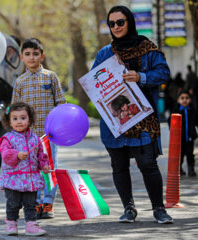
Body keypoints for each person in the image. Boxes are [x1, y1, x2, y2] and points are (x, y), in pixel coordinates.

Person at [92, 5, 173, 224]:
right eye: (111, 24)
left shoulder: (147, 48)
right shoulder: (105, 54)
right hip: (115, 120)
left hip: (143, 119)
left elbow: (164, 72)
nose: (116, 27)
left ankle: (159, 209)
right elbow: (93, 84)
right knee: (119, 165)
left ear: (130, 22)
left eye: (120, 22)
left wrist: (141, 77)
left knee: (147, 163)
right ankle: (129, 209)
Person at [12, 38, 66, 219]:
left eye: (35, 54)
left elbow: (60, 103)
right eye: (27, 54)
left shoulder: (50, 77)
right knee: (32, 169)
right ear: (21, 57)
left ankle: (48, 203)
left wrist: (60, 126)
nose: (32, 57)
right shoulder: (20, 81)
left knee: (49, 168)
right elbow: (15, 109)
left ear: (42, 56)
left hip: (49, 134)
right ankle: (34, 204)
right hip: (29, 136)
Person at [0, 101, 49, 236]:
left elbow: (40, 154)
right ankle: (11, 223)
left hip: (30, 178)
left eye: (23, 118)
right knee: (13, 203)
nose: (19, 121)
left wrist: (44, 165)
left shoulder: (35, 138)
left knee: (31, 203)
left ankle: (31, 225)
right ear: (9, 122)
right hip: (13, 178)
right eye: (15, 118)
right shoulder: (7, 138)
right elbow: (5, 154)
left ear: (30, 120)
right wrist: (17, 155)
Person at [169, 90, 197, 177]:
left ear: (190, 100)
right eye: (182, 98)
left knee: (190, 154)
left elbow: (196, 122)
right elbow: (170, 122)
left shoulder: (192, 111)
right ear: (178, 100)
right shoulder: (176, 111)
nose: (184, 100)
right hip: (179, 138)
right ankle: (179, 168)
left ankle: (191, 169)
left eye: (187, 98)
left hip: (190, 137)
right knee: (180, 154)